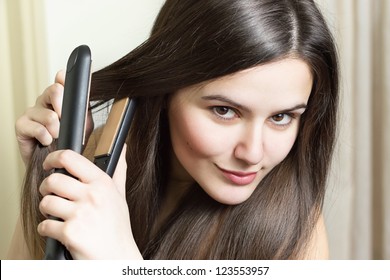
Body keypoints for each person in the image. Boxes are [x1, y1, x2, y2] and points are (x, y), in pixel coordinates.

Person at [8, 0, 338, 259]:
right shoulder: (93, 171)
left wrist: (121, 263)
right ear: (165, 90)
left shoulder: (295, 236)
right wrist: (45, 176)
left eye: (281, 117)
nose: (252, 153)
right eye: (224, 111)